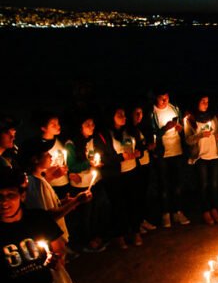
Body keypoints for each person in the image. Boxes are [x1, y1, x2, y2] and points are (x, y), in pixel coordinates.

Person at [20, 138, 92, 259]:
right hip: (50, 244)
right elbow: (47, 216)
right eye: (46, 154)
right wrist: (76, 201)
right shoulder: (34, 184)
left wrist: (64, 202)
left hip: (54, 239)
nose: (50, 156)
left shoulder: (39, 179)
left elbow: (48, 206)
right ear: (35, 159)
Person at [64, 112, 111, 253]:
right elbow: (71, 166)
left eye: (93, 124)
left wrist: (98, 163)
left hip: (95, 181)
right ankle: (87, 242)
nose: (92, 127)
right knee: (86, 216)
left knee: (99, 209)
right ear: (80, 127)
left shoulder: (91, 140)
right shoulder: (71, 144)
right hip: (81, 185)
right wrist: (88, 164)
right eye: (88, 125)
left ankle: (97, 237)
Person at [103, 106, 144, 247]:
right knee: (118, 206)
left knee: (134, 203)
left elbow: (140, 146)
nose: (124, 117)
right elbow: (104, 157)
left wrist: (139, 152)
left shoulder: (130, 131)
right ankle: (119, 234)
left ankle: (135, 231)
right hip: (115, 175)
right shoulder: (106, 135)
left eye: (124, 114)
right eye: (119, 114)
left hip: (132, 171)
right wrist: (121, 157)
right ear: (111, 117)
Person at [150, 89, 191, 228]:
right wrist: (165, 128)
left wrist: (179, 127)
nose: (165, 100)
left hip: (177, 150)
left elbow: (180, 124)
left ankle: (177, 211)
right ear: (156, 98)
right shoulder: (152, 112)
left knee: (177, 183)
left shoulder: (174, 108)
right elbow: (152, 133)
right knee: (164, 185)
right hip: (162, 153)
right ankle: (165, 214)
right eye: (162, 98)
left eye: (167, 97)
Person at [185, 94, 218, 225]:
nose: (206, 104)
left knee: (214, 185)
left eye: (207, 101)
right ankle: (205, 211)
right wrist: (200, 135)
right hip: (200, 156)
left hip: (214, 154)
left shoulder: (213, 117)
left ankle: (214, 209)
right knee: (203, 185)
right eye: (202, 101)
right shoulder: (190, 119)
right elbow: (188, 140)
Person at [130, 104, 158, 233]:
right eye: (136, 113)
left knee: (144, 194)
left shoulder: (142, 128)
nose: (139, 116)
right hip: (136, 166)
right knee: (136, 195)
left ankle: (142, 220)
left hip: (145, 163)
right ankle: (137, 223)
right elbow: (134, 149)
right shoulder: (130, 131)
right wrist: (146, 147)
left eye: (141, 113)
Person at [37, 113, 70, 197]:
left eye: (58, 123)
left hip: (64, 182)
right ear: (43, 128)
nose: (58, 126)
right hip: (51, 185)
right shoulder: (40, 146)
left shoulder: (59, 140)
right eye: (53, 125)